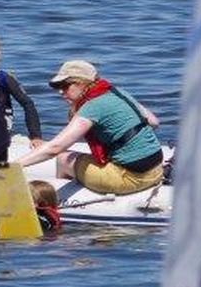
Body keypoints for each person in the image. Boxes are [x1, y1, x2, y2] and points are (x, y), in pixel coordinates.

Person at [15, 59, 164, 195]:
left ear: (81, 83)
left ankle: (58, 199)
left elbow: (55, 148)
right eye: (58, 87)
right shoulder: (116, 92)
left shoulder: (92, 106)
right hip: (156, 170)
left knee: (62, 158)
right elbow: (153, 122)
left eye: (65, 86)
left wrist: (13, 166)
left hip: (129, 179)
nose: (60, 91)